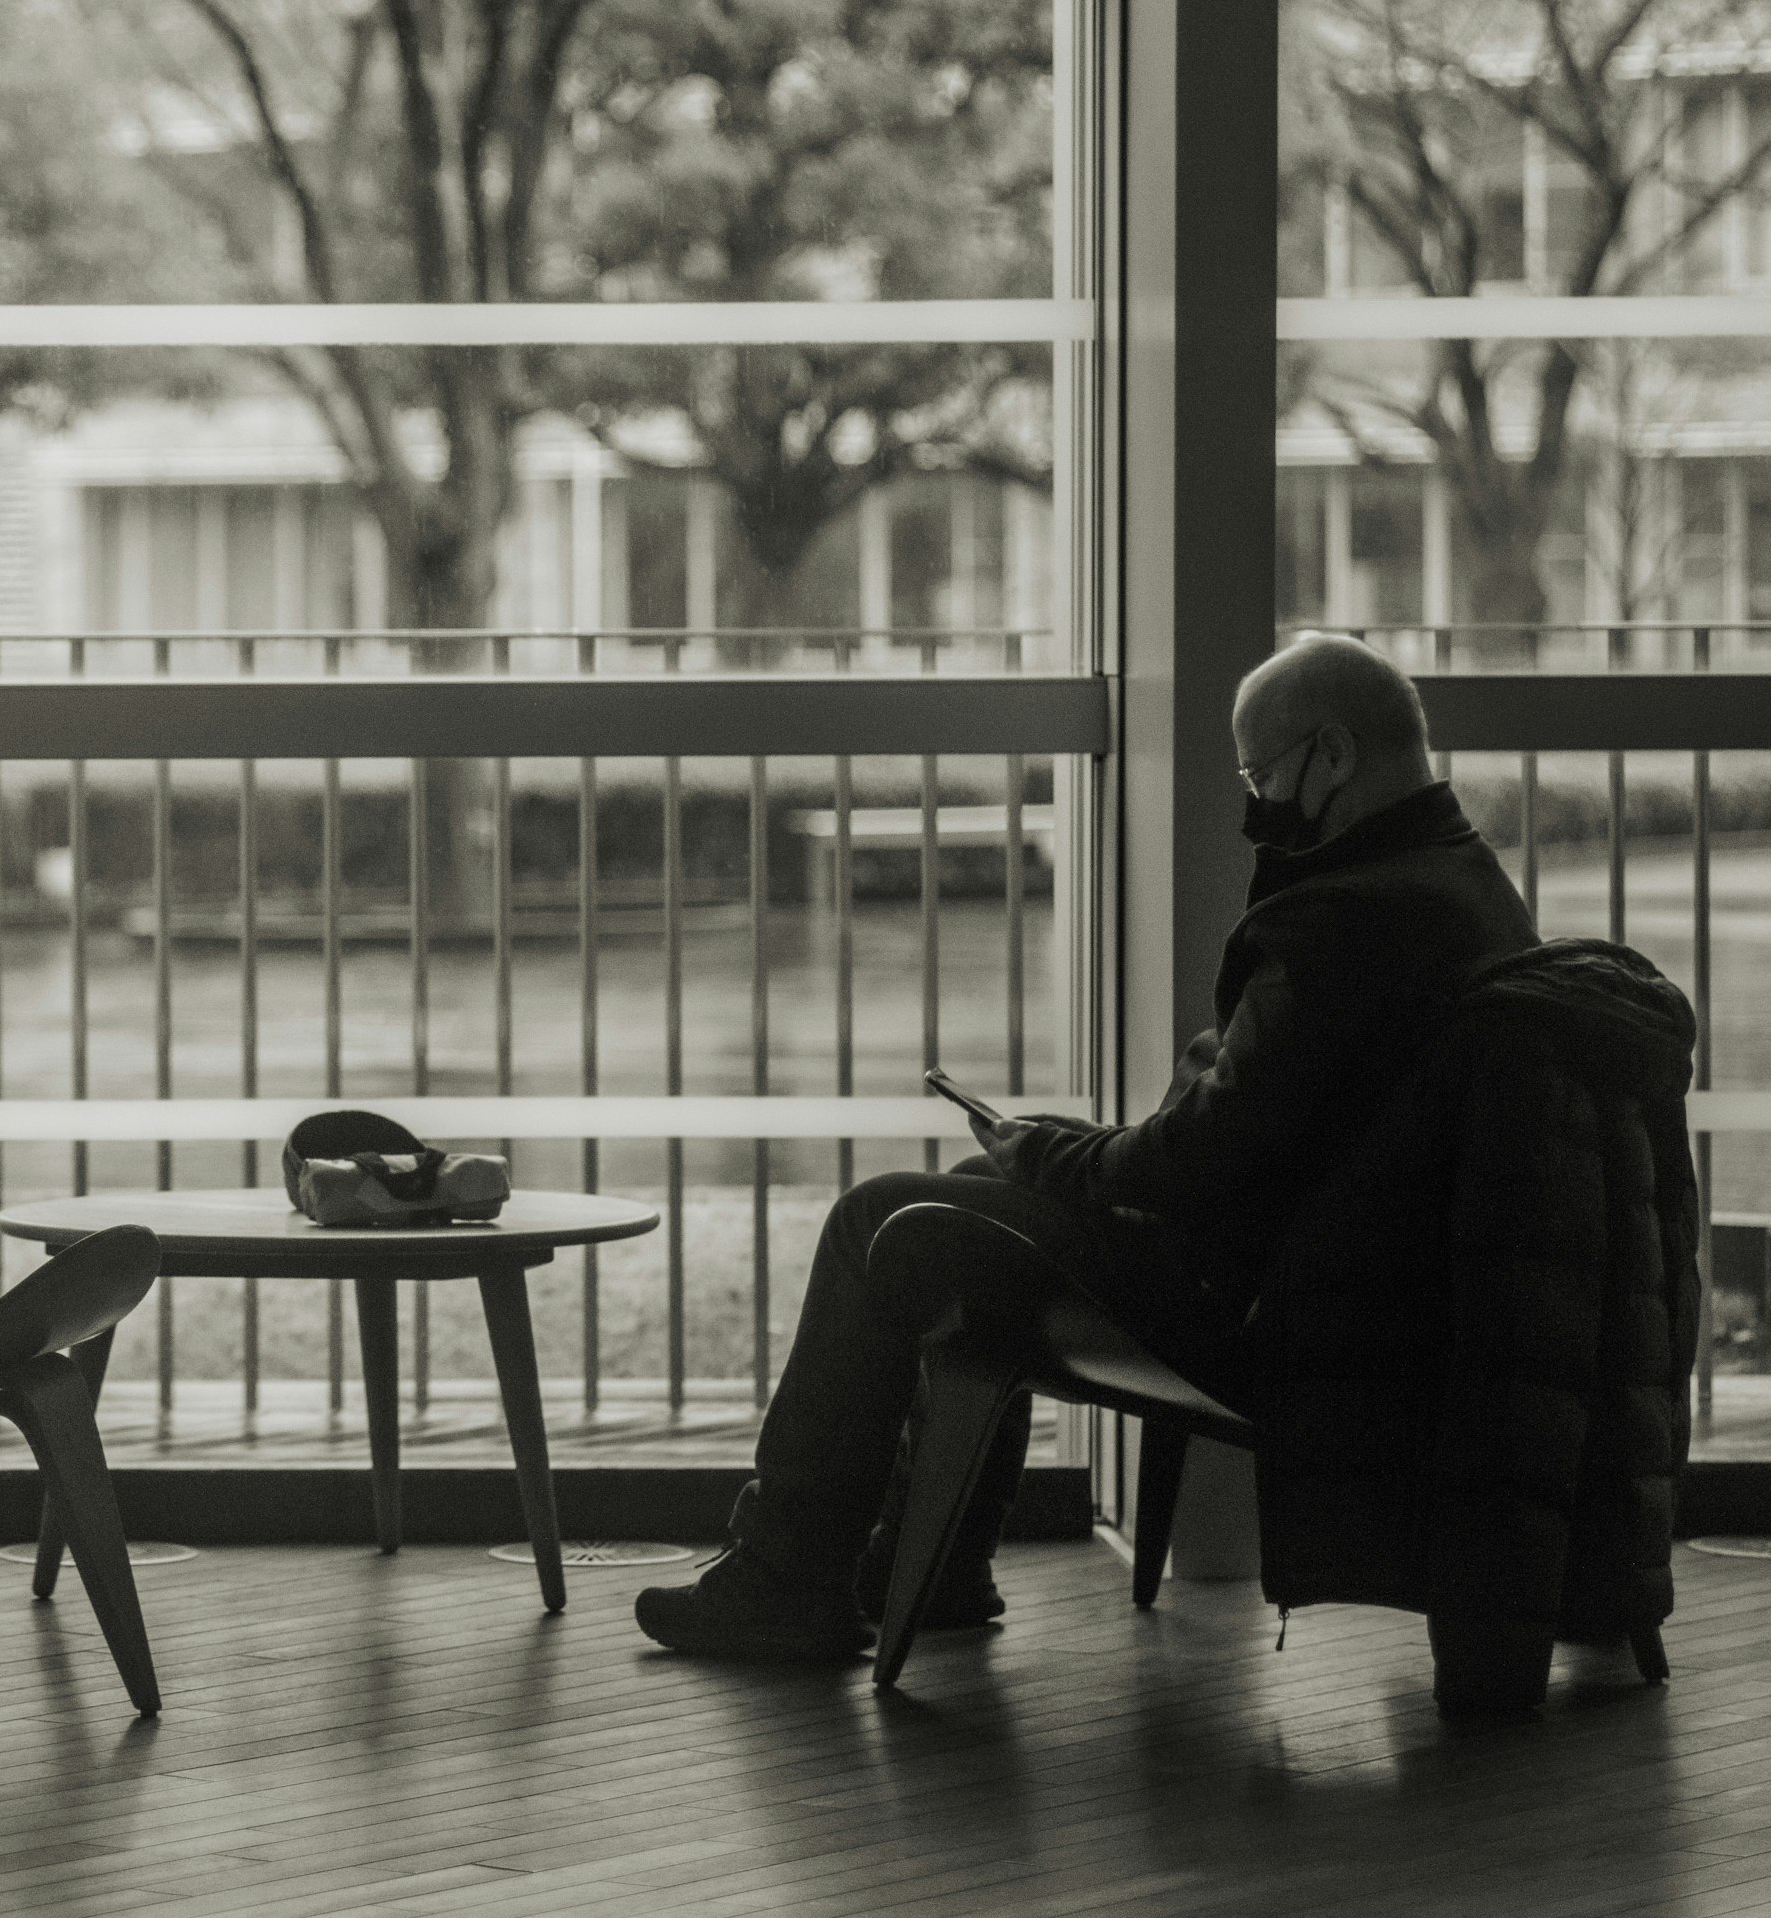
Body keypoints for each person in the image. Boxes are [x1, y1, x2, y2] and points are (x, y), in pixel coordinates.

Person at [635, 632, 1540, 1661]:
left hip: (1246, 1297)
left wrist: (1057, 1158)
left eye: (1259, 773)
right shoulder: (1463, 884)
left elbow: (1205, 1163)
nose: (1254, 803)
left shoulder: (1352, 918)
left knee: (874, 1220)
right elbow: (1258, 1131)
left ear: (1331, 755)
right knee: (975, 1183)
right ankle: (942, 1563)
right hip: (1324, 1276)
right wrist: (1061, 1153)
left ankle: (786, 1576)